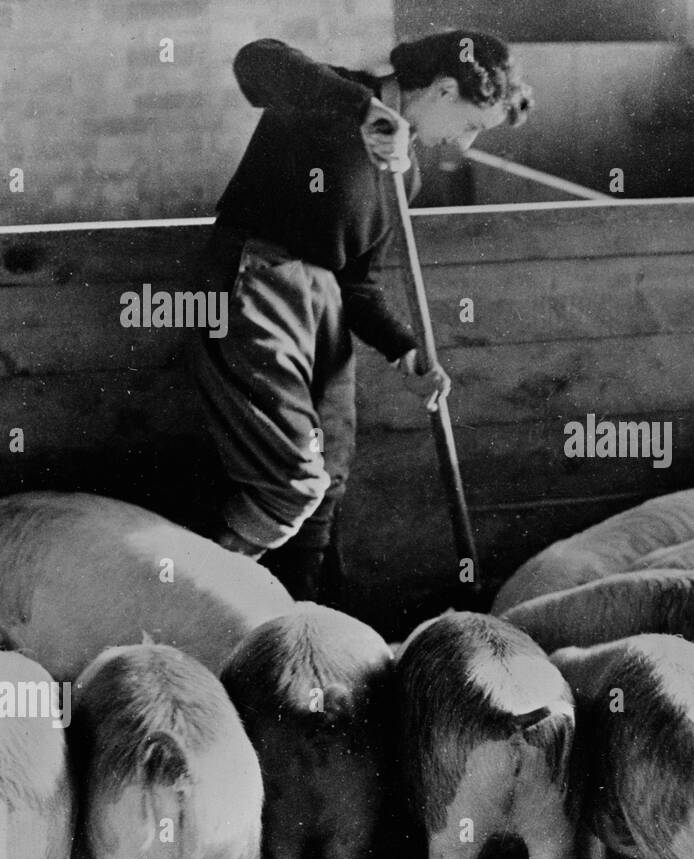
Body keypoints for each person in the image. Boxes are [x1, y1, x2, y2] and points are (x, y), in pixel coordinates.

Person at [191, 32, 533, 601]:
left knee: (331, 477)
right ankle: (197, 595)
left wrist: (407, 350)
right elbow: (257, 59)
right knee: (291, 483)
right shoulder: (333, 98)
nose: (465, 144)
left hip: (322, 306)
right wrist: (364, 108)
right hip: (257, 285)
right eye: (470, 123)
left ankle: (307, 617)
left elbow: (360, 283)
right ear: (445, 89)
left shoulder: (405, 174)